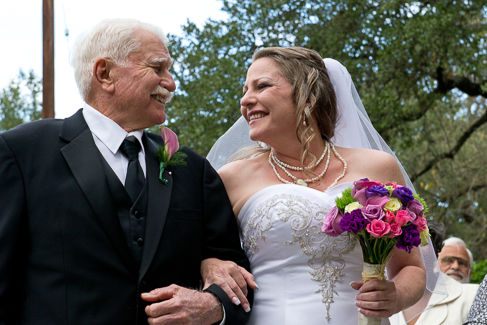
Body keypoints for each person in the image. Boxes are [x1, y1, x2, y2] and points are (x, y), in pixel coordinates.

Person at [0, 19, 252, 324]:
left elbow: (237, 276)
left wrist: (214, 305)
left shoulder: (194, 170)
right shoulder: (21, 153)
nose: (171, 83)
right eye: (158, 68)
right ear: (105, 73)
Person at [204, 47, 436, 324]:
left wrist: (395, 295)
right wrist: (208, 263)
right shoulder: (231, 177)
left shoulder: (378, 167)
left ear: (308, 94)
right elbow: (201, 252)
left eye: (261, 86)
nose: (245, 100)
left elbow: (411, 267)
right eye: (244, 91)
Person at [390, 221, 478, 325]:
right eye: (402, 244)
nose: (410, 250)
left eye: (419, 243)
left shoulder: (472, 295)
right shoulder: (377, 295)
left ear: (435, 252)